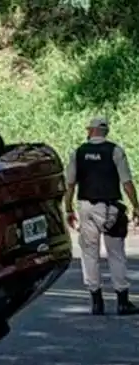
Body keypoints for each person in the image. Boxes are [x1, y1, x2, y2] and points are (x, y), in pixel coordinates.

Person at [64, 116, 139, 316]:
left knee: (89, 254)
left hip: (87, 208)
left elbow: (70, 184)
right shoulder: (115, 151)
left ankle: (96, 302)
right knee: (116, 254)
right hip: (111, 208)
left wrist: (68, 209)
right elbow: (127, 183)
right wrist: (136, 207)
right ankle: (123, 301)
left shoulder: (78, 153)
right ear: (106, 132)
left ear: (91, 130)